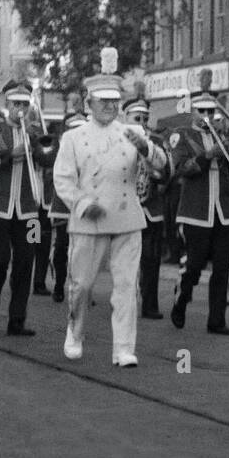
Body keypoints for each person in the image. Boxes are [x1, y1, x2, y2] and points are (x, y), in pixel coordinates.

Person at [54, 52, 167, 367]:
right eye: (102, 100)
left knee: (126, 288)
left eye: (114, 100)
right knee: (81, 286)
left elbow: (162, 169)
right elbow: (62, 179)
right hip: (89, 219)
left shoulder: (133, 133)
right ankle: (74, 334)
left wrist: (147, 149)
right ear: (88, 102)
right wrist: (82, 203)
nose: (109, 106)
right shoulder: (73, 137)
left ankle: (123, 348)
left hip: (127, 218)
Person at [169, 71, 229, 335]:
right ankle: (181, 300)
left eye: (211, 112)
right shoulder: (181, 134)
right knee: (194, 266)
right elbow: (182, 169)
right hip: (195, 211)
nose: (208, 117)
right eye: (202, 111)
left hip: (223, 212)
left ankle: (217, 320)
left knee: (222, 269)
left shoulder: (224, 137)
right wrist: (207, 155)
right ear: (193, 112)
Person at [0, 79, 54, 336]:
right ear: (7, 104)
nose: (20, 109)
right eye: (16, 104)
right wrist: (12, 154)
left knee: (26, 261)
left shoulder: (33, 131)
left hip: (28, 209)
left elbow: (47, 158)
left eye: (25, 104)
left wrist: (43, 147)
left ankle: (17, 319)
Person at [124, 94, 170, 320]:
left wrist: (157, 175)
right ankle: (125, 301)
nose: (142, 123)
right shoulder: (117, 140)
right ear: (126, 118)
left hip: (151, 208)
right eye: (136, 118)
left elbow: (167, 173)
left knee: (151, 259)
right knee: (124, 260)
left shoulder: (157, 141)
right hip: (125, 208)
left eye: (144, 118)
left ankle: (150, 304)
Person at [44, 106, 84, 303]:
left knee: (81, 249)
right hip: (43, 206)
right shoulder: (56, 147)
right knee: (44, 243)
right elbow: (45, 161)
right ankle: (55, 283)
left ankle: (80, 286)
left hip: (76, 203)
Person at [31, 108, 65, 297]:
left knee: (46, 244)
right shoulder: (35, 145)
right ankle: (27, 279)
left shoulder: (55, 146)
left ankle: (39, 281)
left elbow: (48, 160)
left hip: (49, 202)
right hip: (33, 203)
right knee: (33, 242)